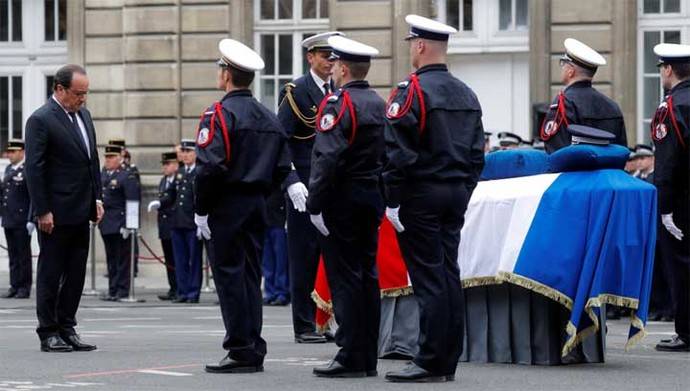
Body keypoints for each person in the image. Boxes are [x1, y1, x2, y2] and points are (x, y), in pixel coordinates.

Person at [382, 15, 484, 382]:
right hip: (455, 191)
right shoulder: (466, 93)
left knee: (428, 278)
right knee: (447, 273)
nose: (411, 49)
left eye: (412, 43)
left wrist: (392, 199)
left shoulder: (411, 91)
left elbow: (398, 152)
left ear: (421, 46)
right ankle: (446, 359)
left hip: (421, 192)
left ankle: (428, 358)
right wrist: (464, 187)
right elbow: (477, 153)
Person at [194, 38, 290, 373]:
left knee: (229, 276)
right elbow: (281, 167)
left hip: (227, 204)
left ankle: (239, 348)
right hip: (257, 204)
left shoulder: (219, 114)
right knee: (251, 276)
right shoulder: (268, 115)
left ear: (226, 75)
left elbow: (210, 166)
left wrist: (201, 208)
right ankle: (253, 345)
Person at [305, 35, 383, 378]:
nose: (332, 68)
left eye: (335, 63)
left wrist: (315, 203)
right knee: (368, 275)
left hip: (342, 199)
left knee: (346, 278)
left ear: (345, 68)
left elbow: (327, 157)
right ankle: (367, 355)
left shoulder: (339, 104)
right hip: (371, 197)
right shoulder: (380, 103)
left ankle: (350, 353)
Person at [25, 64, 103, 352]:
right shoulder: (41, 120)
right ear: (59, 88)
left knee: (76, 272)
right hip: (55, 212)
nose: (82, 99)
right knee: (51, 271)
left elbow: (91, 161)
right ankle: (48, 331)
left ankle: (67, 327)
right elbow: (35, 169)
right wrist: (42, 210)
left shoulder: (84, 116)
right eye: (77, 93)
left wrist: (97, 198)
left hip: (82, 209)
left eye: (85, 94)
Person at [278, 31, 342, 344]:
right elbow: (282, 141)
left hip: (330, 184)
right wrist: (290, 180)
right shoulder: (296, 92)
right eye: (324, 56)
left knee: (331, 255)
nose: (330, 62)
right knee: (304, 256)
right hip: (304, 186)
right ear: (310, 58)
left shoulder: (336, 90)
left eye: (333, 57)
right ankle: (303, 324)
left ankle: (326, 320)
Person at [650, 43, 690, 352]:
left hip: (681, 201)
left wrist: (664, 208)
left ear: (667, 70)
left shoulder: (671, 106)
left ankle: (686, 331)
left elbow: (667, 162)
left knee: (681, 267)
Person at [540, 38, 627, 153]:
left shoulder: (564, 102)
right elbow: (621, 151)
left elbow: (556, 152)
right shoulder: (612, 106)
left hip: (575, 170)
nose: (562, 68)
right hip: (609, 170)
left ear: (571, 71)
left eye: (563, 64)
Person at [98, 144, 140, 301]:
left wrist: (130, 224)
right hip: (107, 223)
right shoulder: (103, 175)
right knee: (111, 259)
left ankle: (122, 289)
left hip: (121, 223)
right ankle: (113, 288)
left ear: (120, 158)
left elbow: (132, 201)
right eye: (107, 157)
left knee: (123, 259)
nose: (108, 160)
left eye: (111, 157)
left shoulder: (126, 175)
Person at [170, 139, 202, 303]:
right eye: (184, 152)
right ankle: (182, 291)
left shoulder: (200, 171)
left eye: (189, 152)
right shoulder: (180, 172)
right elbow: (172, 195)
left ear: (196, 153)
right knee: (180, 259)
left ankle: (193, 291)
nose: (186, 155)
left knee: (194, 259)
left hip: (192, 222)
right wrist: (160, 203)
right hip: (178, 222)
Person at [1, 140, 33, 299]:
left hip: (22, 219)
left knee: (23, 255)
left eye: (13, 152)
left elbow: (32, 196)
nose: (10, 155)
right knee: (13, 255)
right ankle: (14, 285)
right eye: (9, 152)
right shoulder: (8, 169)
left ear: (22, 152)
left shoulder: (27, 169)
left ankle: (24, 287)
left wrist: (31, 219)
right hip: (9, 218)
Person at [148, 151, 179, 301]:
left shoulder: (178, 180)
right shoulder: (163, 181)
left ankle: (180, 287)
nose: (165, 168)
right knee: (169, 260)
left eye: (168, 164)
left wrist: (160, 204)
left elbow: (170, 199)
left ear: (175, 165)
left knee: (177, 258)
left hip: (175, 224)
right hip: (165, 225)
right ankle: (173, 287)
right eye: (164, 165)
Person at [261, 186, 290, 306]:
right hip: (266, 219)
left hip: (279, 219)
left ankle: (281, 292)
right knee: (267, 261)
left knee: (280, 260)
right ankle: (270, 292)